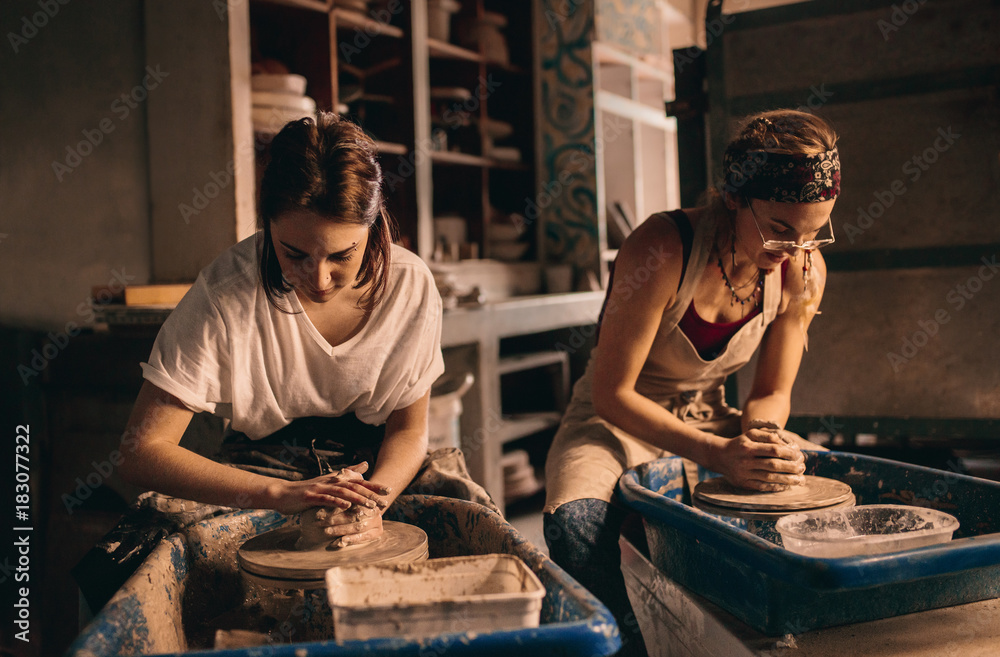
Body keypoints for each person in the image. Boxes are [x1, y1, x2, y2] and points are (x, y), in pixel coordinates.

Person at [543, 109, 840, 655]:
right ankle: (637, 646)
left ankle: (757, 634)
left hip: (711, 415)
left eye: (814, 234)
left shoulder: (802, 268)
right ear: (734, 196)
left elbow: (770, 393)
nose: (795, 252)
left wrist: (762, 437)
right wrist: (720, 454)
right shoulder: (662, 246)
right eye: (779, 230)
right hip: (617, 417)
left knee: (825, 493)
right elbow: (614, 394)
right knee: (575, 523)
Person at [118, 112, 451, 548]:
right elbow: (141, 451)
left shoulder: (410, 284)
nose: (319, 279)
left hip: (376, 463)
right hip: (262, 465)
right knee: (131, 556)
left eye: (341, 255)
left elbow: (408, 431)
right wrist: (278, 495)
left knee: (470, 523)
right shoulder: (225, 293)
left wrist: (371, 504)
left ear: (372, 227)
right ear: (267, 225)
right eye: (294, 254)